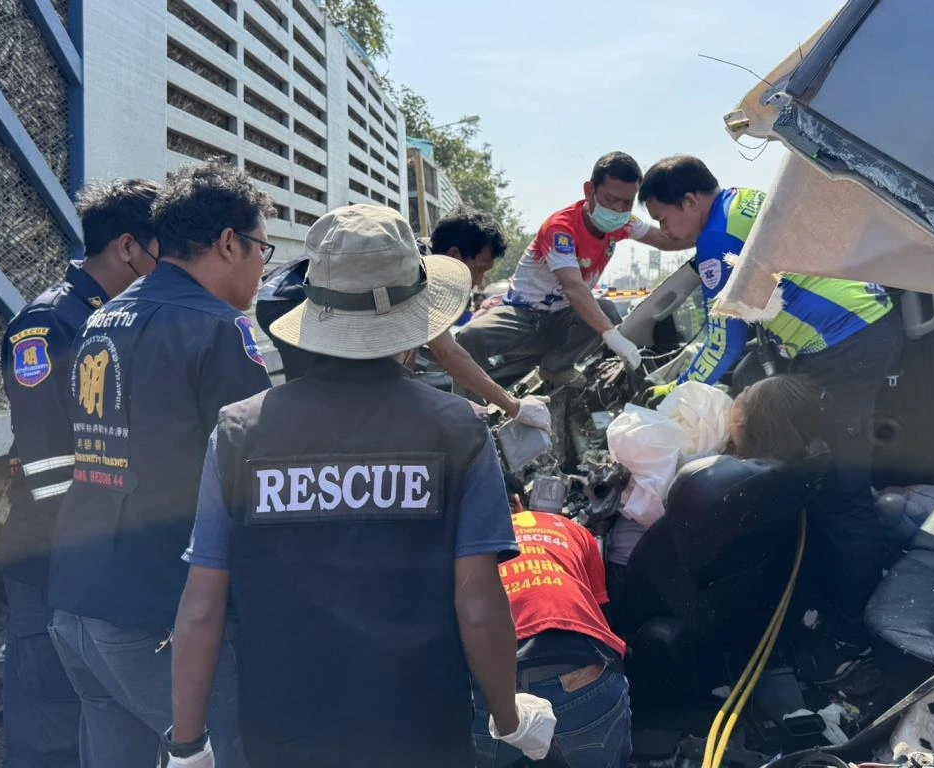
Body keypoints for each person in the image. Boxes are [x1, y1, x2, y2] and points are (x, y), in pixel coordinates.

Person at [167, 205, 555, 767]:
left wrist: (186, 744)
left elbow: (202, 604)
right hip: (421, 729)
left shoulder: (240, 430)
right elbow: (478, 601)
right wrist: (509, 719)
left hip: (282, 732)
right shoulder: (457, 428)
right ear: (414, 315)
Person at [638, 155, 905, 683]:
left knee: (842, 494)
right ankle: (833, 599)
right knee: (830, 483)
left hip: (845, 346)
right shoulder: (744, 204)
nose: (668, 232)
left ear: (690, 201)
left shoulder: (717, 241)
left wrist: (680, 391)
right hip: (861, 330)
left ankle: (853, 637)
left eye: (665, 219)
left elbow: (727, 333)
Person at [45, 161, 276, 768]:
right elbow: (252, 484)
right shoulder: (219, 330)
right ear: (230, 242)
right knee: (225, 752)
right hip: (158, 617)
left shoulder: (102, 317)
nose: (261, 266)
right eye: (261, 249)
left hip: (76, 596)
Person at [0, 178, 161, 767]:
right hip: (52, 551)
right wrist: (86, 552)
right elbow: (46, 462)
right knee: (50, 712)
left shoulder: (116, 319)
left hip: (92, 550)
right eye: (163, 248)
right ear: (127, 247)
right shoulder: (51, 323)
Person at [255, 206, 551, 431]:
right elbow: (448, 353)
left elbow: (405, 357)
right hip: (285, 300)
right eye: (480, 269)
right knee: (319, 395)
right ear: (454, 254)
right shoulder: (412, 272)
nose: (478, 281)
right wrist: (514, 406)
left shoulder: (417, 259)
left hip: (294, 291)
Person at [606, 374, 824, 629]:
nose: (740, 391)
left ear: (741, 419)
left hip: (639, 584)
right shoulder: (791, 473)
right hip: (721, 591)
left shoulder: (703, 476)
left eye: (746, 393)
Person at [455, 152, 688, 382]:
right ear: (590, 191)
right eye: (610, 200)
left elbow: (666, 239)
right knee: (468, 337)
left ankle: (555, 368)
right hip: (524, 315)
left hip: (564, 318)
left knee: (605, 308)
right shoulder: (561, 228)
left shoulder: (624, 223)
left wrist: (705, 233)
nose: (618, 209)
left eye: (626, 203)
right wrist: (612, 336)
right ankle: (469, 410)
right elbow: (574, 287)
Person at [474, 501, 631, 768]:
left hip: (491, 692)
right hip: (581, 681)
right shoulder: (574, 530)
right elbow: (599, 612)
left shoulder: (468, 540)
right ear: (518, 502)